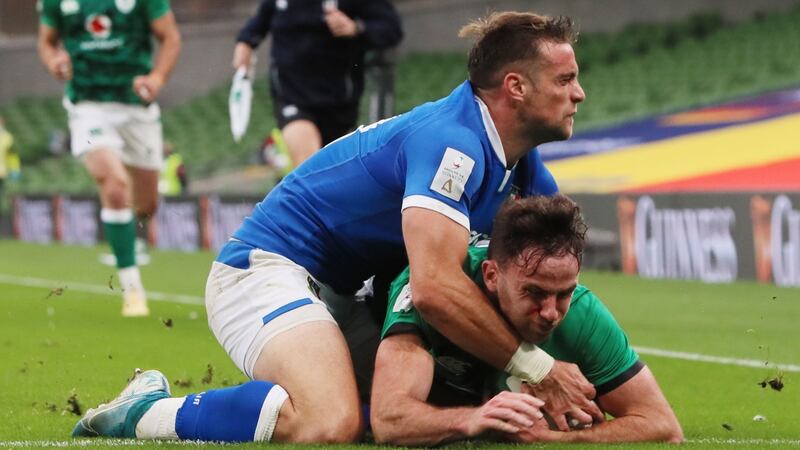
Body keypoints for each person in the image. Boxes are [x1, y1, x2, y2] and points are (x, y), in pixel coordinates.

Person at [71, 11, 592, 444]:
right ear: (516, 87)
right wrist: (540, 369)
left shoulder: (519, 162)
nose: (579, 94)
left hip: (342, 294)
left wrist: (596, 381)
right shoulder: (453, 144)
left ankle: (268, 401)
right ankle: (147, 411)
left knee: (429, 412)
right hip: (266, 269)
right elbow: (435, 289)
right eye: (566, 80)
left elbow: (559, 274)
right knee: (329, 421)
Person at [371, 195, 684, 445]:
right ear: (491, 275)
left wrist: (553, 440)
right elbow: (389, 419)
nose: (551, 312)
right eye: (535, 292)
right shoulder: (433, 293)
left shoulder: (583, 312)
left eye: (563, 293)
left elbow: (662, 425)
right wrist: (472, 420)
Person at [38, 0, 181, 317]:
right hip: (88, 106)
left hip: (136, 108)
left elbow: (170, 37)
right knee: (114, 184)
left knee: (146, 205)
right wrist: (54, 60)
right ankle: (133, 291)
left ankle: (127, 233)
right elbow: (47, 41)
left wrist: (156, 78)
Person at [232, 0, 403, 168]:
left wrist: (356, 28)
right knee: (310, 164)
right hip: (291, 96)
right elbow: (261, 19)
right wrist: (245, 42)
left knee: (335, 174)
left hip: (339, 103)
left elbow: (392, 30)